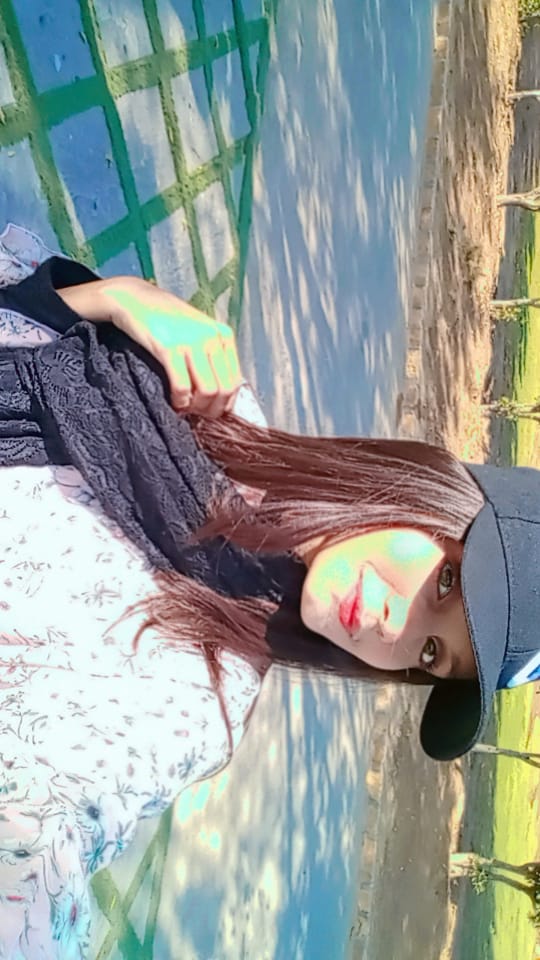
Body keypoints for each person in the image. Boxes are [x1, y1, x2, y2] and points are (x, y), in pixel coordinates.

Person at [0, 223, 538, 956]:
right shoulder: (206, 392)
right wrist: (105, 299)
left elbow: (44, 837)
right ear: (429, 493)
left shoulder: (196, 702)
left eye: (432, 653)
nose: (397, 627)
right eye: (446, 580)